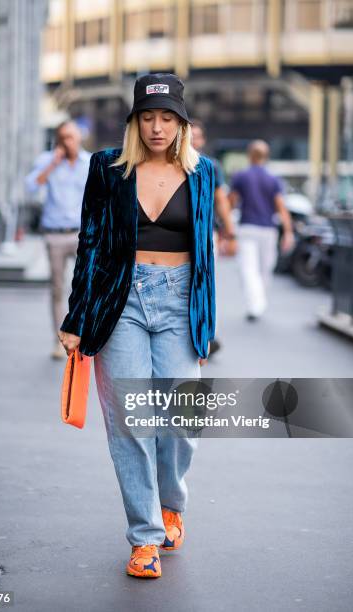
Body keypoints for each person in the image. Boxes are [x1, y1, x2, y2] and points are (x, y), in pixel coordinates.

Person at [57, 73, 216, 579]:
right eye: (147, 116)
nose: (156, 126)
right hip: (119, 302)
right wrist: (76, 318)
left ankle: (172, 502)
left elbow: (206, 255)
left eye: (167, 117)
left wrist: (205, 325)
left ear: (181, 123)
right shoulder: (107, 168)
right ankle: (144, 537)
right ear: (134, 121)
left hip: (177, 302)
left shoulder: (203, 172)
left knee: (181, 421)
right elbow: (90, 244)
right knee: (130, 423)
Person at [25, 120, 92, 359]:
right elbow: (30, 186)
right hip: (54, 234)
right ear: (58, 139)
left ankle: (86, 333)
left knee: (88, 285)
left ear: (79, 138)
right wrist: (53, 163)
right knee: (57, 289)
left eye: (72, 137)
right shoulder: (48, 161)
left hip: (82, 234)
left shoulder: (90, 162)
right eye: (63, 137)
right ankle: (59, 340)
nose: (68, 141)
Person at [218, 139, 294, 321]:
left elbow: (232, 201)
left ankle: (255, 304)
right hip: (269, 229)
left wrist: (225, 223)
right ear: (266, 156)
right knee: (265, 268)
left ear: (249, 155)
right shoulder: (274, 179)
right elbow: (281, 207)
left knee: (248, 268)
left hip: (247, 228)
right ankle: (258, 302)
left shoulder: (241, 176)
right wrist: (289, 232)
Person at [191, 118, 231, 355]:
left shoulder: (210, 165)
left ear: (203, 140)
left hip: (207, 233)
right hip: (179, 237)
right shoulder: (172, 161)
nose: (194, 140)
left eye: (197, 136)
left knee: (204, 280)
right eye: (190, 135)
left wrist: (229, 231)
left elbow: (221, 200)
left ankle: (206, 332)